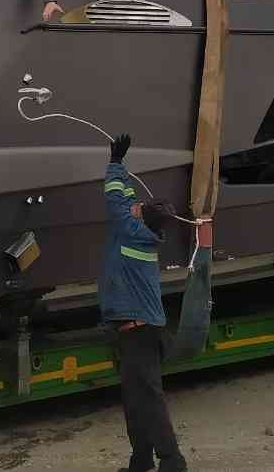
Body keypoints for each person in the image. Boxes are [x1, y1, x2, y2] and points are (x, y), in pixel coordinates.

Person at [100, 133, 187, 472]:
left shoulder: (130, 233)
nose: (133, 205)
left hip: (139, 332)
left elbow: (115, 201)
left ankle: (173, 461)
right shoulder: (141, 234)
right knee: (135, 402)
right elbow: (126, 201)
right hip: (137, 330)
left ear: (139, 219)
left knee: (148, 399)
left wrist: (114, 163)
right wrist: (122, 168)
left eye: (137, 208)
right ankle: (141, 460)